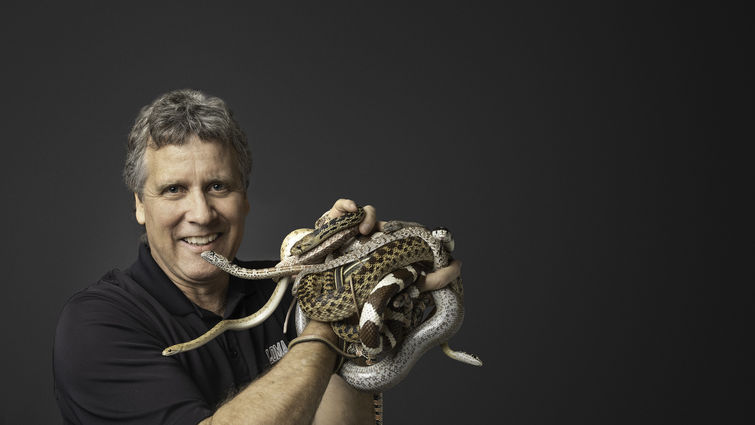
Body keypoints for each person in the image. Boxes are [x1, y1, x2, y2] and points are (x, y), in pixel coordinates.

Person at [53, 89, 461, 425]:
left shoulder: (288, 288)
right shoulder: (96, 324)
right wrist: (330, 318)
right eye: (174, 189)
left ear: (244, 198)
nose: (200, 214)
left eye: (217, 186)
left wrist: (358, 261)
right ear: (141, 205)